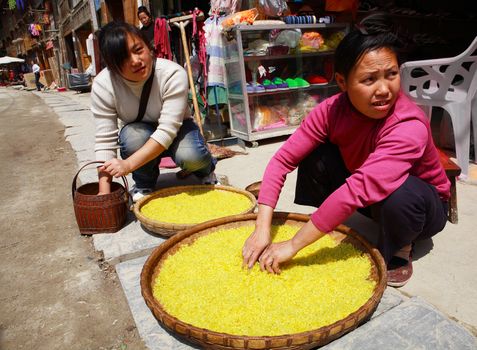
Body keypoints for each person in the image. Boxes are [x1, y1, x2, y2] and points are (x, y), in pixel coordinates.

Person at [241, 14, 450, 288]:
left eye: (391, 75)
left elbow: (359, 188)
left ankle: (400, 248)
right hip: (369, 194)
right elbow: (283, 160)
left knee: (400, 193)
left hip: (422, 207)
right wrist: (262, 227)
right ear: (342, 82)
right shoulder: (331, 111)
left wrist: (292, 245)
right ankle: (327, 222)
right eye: (369, 80)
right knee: (315, 154)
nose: (384, 89)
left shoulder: (407, 124)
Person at [91, 21, 217, 202]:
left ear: (148, 47)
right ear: (112, 66)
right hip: (139, 132)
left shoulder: (172, 73)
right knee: (133, 137)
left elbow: (166, 131)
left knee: (191, 156)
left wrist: (127, 164)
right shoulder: (103, 85)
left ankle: (207, 170)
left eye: (138, 50)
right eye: (123, 58)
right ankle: (144, 183)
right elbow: (105, 140)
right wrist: (104, 192)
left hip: (177, 129)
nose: (135, 61)